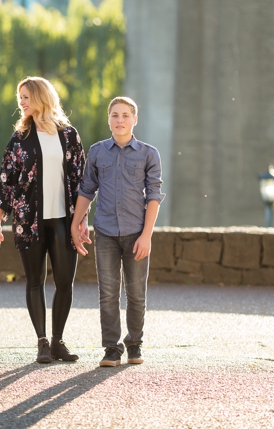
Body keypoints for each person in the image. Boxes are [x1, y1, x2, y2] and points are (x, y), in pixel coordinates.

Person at [0, 76, 86, 364]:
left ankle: (58, 342)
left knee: (65, 282)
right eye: (20, 97)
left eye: (26, 96)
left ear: (42, 97)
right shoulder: (19, 138)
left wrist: (80, 220)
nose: (21, 102)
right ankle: (42, 342)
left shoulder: (68, 134)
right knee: (35, 281)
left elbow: (80, 180)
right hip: (28, 220)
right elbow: (6, 182)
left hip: (63, 220)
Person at [71, 96, 164, 367]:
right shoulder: (98, 152)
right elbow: (87, 189)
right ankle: (112, 349)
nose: (120, 120)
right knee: (108, 292)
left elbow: (154, 196)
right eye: (115, 115)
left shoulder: (149, 153)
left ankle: (134, 344)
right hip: (106, 233)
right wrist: (77, 223)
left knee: (136, 293)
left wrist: (147, 235)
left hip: (136, 233)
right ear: (108, 119)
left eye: (125, 115)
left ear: (135, 120)